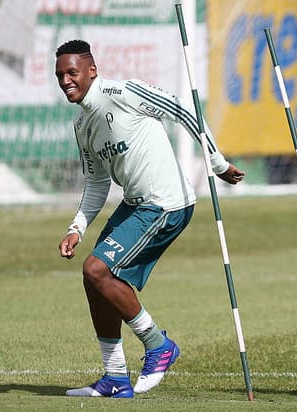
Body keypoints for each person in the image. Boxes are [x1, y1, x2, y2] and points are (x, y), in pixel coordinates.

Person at [55, 40, 245, 398]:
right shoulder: (82, 126)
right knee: (93, 279)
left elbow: (183, 112)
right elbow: (96, 182)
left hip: (166, 204)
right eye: (60, 75)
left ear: (91, 70)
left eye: (72, 72)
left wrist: (217, 164)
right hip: (135, 204)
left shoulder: (123, 92)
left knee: (96, 270)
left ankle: (159, 346)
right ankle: (115, 377)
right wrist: (76, 228)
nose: (66, 80)